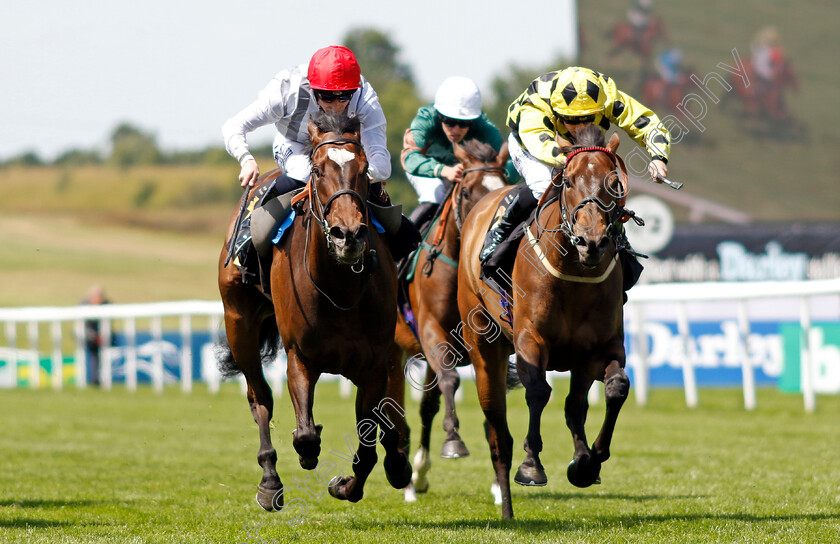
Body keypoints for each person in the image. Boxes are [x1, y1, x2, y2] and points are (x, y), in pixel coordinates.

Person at [222, 45, 418, 262]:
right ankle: (248, 229)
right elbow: (234, 126)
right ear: (312, 88)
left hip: (344, 152)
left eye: (344, 97)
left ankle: (402, 249)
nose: (336, 106)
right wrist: (246, 159)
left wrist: (362, 173)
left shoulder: (364, 95)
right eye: (327, 97)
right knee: (305, 171)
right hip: (295, 144)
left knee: (358, 177)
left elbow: (380, 158)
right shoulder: (286, 89)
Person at [479, 66, 672, 265]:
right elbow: (542, 147)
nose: (579, 127)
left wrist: (658, 157)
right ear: (556, 110)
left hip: (582, 149)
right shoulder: (535, 105)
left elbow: (649, 124)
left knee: (602, 183)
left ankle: (617, 236)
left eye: (588, 119)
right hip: (531, 146)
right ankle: (500, 230)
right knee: (545, 184)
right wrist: (577, 164)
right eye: (571, 120)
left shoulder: (608, 97)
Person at [401, 76, 518, 230]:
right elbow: (409, 158)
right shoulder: (425, 119)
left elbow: (513, 161)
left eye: (464, 123)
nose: (455, 129)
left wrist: (493, 175)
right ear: (439, 115)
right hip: (426, 169)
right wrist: (443, 170)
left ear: (473, 120)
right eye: (449, 121)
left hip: (466, 171)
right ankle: (404, 246)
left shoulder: (484, 127)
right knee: (434, 195)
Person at [81, 285, 110, 386]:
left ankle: (99, 378)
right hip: (90, 336)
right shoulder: (85, 305)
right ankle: (93, 378)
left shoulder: (106, 304)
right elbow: (85, 325)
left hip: (103, 335)